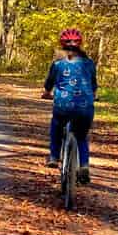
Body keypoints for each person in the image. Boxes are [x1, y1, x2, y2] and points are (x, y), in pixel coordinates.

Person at [42, 27, 96, 182]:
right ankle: (84, 165)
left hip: (63, 106)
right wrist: (93, 96)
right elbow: (93, 86)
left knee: (56, 126)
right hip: (85, 107)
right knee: (81, 136)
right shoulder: (88, 63)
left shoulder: (58, 64)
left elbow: (49, 84)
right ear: (80, 45)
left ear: (62, 45)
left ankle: (53, 156)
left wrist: (46, 93)